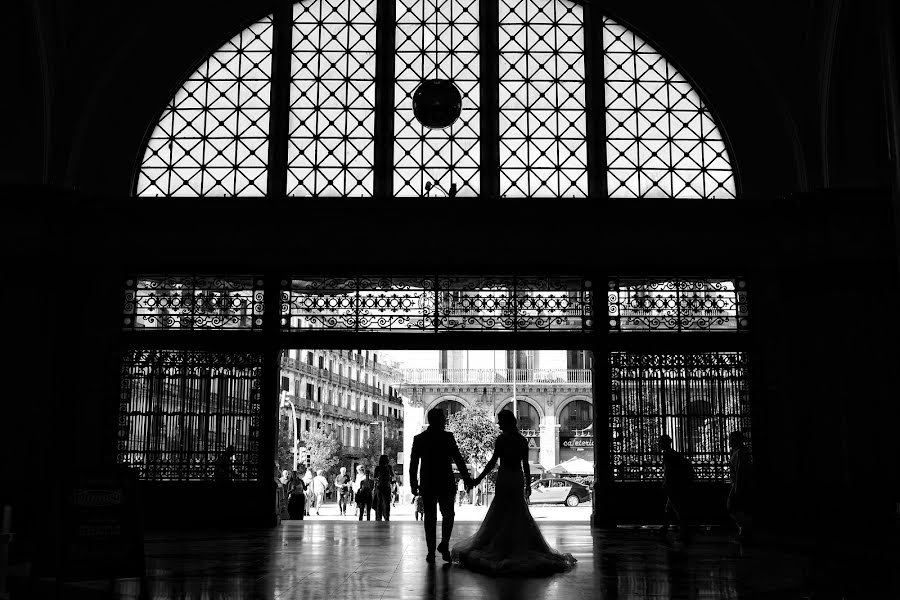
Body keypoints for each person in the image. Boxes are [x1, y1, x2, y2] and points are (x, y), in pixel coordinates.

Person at [451, 410, 576, 576]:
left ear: (507, 422)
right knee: (517, 510)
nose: (499, 424)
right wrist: (528, 484)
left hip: (504, 477)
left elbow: (492, 463)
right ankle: (520, 544)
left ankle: (501, 544)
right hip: (516, 477)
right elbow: (525, 464)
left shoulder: (502, 439)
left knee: (500, 510)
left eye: (500, 421)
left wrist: (478, 479)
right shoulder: (522, 440)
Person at [409, 407, 473, 563]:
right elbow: (458, 459)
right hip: (445, 482)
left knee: (430, 518)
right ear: (439, 420)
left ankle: (431, 551)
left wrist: (413, 484)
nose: (444, 421)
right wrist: (466, 478)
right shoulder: (448, 438)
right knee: (448, 515)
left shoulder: (420, 439)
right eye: (443, 418)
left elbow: (413, 465)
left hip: (428, 483)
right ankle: (443, 545)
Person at [657, 434, 693, 541]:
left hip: (673, 486)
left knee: (678, 509)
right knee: (669, 508)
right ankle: (664, 528)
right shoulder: (675, 454)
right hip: (679, 485)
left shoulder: (668, 455)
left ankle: (684, 532)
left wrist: (665, 483)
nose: (659, 444)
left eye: (660, 442)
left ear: (665, 443)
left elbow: (668, 471)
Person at [727, 431, 753, 542]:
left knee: (732, 507)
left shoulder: (739, 453)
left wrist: (737, 488)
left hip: (739, 484)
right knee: (737, 508)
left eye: (731, 439)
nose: (729, 441)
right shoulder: (738, 452)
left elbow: (740, 472)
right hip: (738, 484)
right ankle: (743, 531)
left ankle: (744, 530)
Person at [373, 455, 395, 521]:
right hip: (384, 486)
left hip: (382, 486)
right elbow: (392, 475)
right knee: (384, 502)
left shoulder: (380, 468)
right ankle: (384, 517)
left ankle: (382, 517)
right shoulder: (387, 467)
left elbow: (375, 477)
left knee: (382, 502)